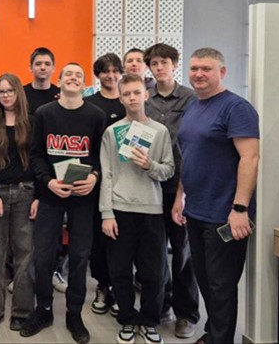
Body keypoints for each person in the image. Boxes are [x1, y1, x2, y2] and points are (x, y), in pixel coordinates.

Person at [172, 48, 260, 344]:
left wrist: (240, 209)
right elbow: (188, 155)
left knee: (221, 285)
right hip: (196, 210)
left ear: (222, 72)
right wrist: (180, 196)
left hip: (224, 214)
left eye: (206, 69)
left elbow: (250, 158)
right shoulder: (193, 107)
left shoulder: (236, 108)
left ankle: (221, 340)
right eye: (194, 68)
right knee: (206, 281)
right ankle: (213, 335)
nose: (198, 74)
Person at [21, 63, 106, 344]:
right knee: (43, 256)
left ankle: (74, 314)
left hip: (83, 197)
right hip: (51, 196)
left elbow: (101, 157)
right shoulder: (45, 114)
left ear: (84, 83)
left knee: (80, 258)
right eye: (68, 74)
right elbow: (36, 155)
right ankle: (43, 310)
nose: (73, 78)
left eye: (78, 75)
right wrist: (48, 183)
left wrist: (94, 177)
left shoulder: (96, 115)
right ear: (59, 81)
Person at [99, 73, 175, 344]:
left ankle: (150, 321)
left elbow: (168, 170)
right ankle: (128, 319)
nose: (132, 98)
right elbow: (107, 175)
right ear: (120, 98)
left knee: (153, 272)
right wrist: (107, 213)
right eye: (126, 94)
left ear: (146, 95)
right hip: (120, 209)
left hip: (151, 210)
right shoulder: (112, 132)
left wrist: (149, 165)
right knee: (120, 271)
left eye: (136, 92)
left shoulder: (160, 131)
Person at [143, 43, 199, 339]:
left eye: (164, 62)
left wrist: (183, 192)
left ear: (174, 65)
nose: (159, 68)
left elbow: (194, 145)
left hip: (182, 185)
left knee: (183, 252)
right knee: (155, 253)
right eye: (154, 63)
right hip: (151, 184)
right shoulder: (145, 99)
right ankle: (160, 305)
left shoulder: (191, 98)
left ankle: (186, 313)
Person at [0, 74, 38, 332]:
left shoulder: (32, 122)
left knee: (25, 255)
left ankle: (22, 311)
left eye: (10, 91)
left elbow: (38, 160)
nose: (6, 95)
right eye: (1, 92)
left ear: (18, 93)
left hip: (26, 193)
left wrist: (38, 197)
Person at [84, 53, 126, 315]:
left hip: (126, 178)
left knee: (123, 237)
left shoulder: (128, 101)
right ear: (98, 75)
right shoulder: (90, 104)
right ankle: (102, 285)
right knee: (98, 238)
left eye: (115, 71)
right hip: (97, 178)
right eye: (105, 71)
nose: (110, 76)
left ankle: (121, 288)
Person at [23, 47, 60, 114]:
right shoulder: (21, 93)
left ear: (53, 68)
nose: (43, 67)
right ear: (30, 68)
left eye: (47, 64)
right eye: (38, 64)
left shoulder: (60, 95)